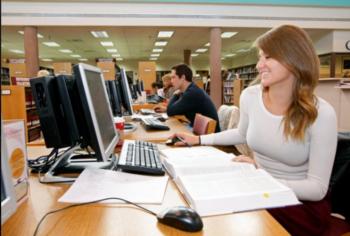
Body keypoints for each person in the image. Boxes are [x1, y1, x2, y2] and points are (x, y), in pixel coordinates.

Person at [171, 25, 337, 236]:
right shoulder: (250, 96)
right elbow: (241, 133)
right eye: (260, 57)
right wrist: (199, 140)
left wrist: (260, 176)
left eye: (268, 57)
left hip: (298, 205)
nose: (259, 65)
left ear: (294, 58)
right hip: (258, 188)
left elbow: (317, 188)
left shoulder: (322, 114)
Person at [155, 64, 220, 132]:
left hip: (209, 136)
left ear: (183, 77)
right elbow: (177, 108)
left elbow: (170, 112)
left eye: (173, 77)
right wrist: (167, 108)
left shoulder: (192, 93)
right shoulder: (191, 89)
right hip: (200, 131)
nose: (171, 81)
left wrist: (175, 94)